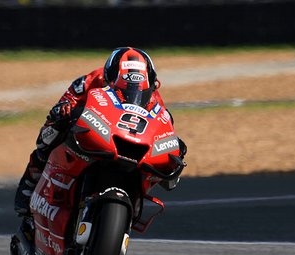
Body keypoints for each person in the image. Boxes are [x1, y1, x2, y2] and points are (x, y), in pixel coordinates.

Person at [13, 47, 185, 216]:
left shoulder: (155, 97)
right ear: (108, 76)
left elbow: (164, 121)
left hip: (126, 135)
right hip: (92, 125)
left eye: (140, 85)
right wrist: (65, 111)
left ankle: (133, 195)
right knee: (53, 129)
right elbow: (65, 102)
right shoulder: (89, 81)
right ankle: (30, 181)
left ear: (152, 82)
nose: (133, 89)